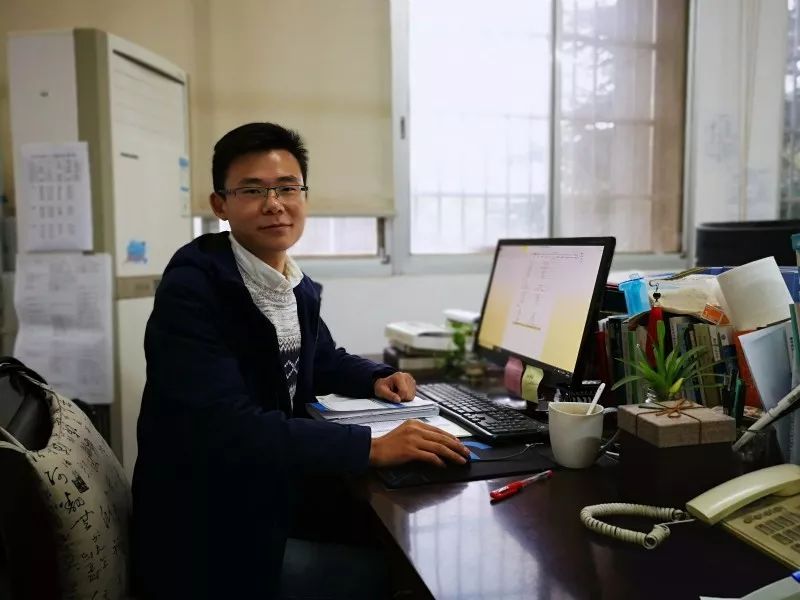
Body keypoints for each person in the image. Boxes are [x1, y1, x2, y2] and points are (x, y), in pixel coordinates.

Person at [132, 122, 470, 599]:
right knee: (396, 575)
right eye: (252, 190)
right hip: (210, 532)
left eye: (287, 187)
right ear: (220, 205)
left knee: (403, 535)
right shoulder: (193, 290)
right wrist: (369, 447)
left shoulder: (290, 281)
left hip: (269, 493)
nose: (274, 204)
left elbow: (321, 357)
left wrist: (377, 377)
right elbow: (225, 428)